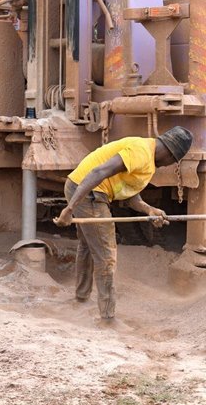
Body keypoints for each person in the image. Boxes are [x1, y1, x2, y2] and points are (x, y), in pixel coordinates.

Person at [54, 127, 193, 322]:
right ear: (170, 154)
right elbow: (99, 171)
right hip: (89, 192)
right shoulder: (141, 153)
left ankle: (81, 298)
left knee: (88, 245)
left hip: (79, 185)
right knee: (106, 255)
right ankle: (107, 318)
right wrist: (69, 209)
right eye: (173, 161)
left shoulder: (147, 154)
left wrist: (149, 209)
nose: (169, 165)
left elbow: (127, 191)